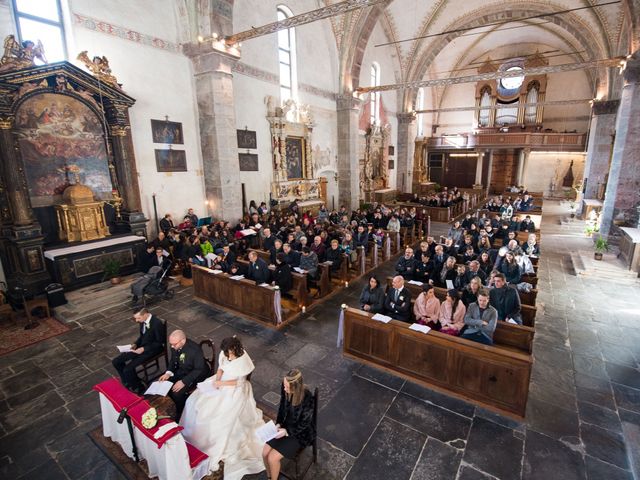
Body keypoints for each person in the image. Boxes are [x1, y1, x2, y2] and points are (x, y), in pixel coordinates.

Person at [180, 337, 265, 480]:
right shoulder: (225, 354)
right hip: (221, 382)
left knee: (217, 416)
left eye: (229, 352)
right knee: (193, 402)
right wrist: (217, 379)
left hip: (234, 389)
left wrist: (222, 384)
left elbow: (238, 382)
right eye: (225, 352)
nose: (227, 354)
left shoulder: (242, 359)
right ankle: (191, 435)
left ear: (235, 349)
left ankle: (209, 441)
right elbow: (220, 367)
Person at [262, 369, 315, 480]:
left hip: (299, 434)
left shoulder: (307, 398)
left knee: (272, 458)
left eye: (287, 387)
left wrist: (287, 432)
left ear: (296, 387)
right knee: (264, 452)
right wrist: (279, 423)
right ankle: (269, 476)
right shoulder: (285, 388)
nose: (284, 388)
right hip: (285, 426)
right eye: (284, 385)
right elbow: (282, 407)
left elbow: (305, 423)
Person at [158, 330, 210, 420]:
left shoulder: (195, 350)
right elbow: (173, 360)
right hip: (182, 370)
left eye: (174, 344)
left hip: (196, 374)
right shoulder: (174, 345)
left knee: (177, 393)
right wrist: (168, 373)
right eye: (171, 344)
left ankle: (181, 413)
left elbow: (198, 369)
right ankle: (170, 405)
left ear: (182, 340)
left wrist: (184, 381)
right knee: (164, 383)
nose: (172, 346)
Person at [111, 308, 164, 394]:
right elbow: (142, 336)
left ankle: (139, 387)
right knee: (116, 361)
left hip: (152, 350)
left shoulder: (157, 324)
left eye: (138, 318)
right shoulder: (142, 321)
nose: (136, 320)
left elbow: (159, 342)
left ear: (146, 314)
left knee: (128, 369)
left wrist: (143, 349)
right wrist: (135, 344)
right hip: (140, 347)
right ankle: (127, 381)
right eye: (135, 318)